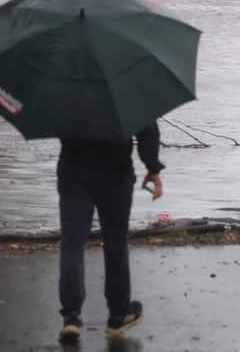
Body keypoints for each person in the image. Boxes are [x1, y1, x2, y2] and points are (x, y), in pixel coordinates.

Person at [56, 122, 164, 344]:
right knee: (115, 244)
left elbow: (55, 121)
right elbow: (147, 128)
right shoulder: (127, 88)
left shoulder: (65, 88)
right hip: (116, 172)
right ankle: (118, 315)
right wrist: (152, 167)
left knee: (72, 244)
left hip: (73, 170)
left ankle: (71, 317)